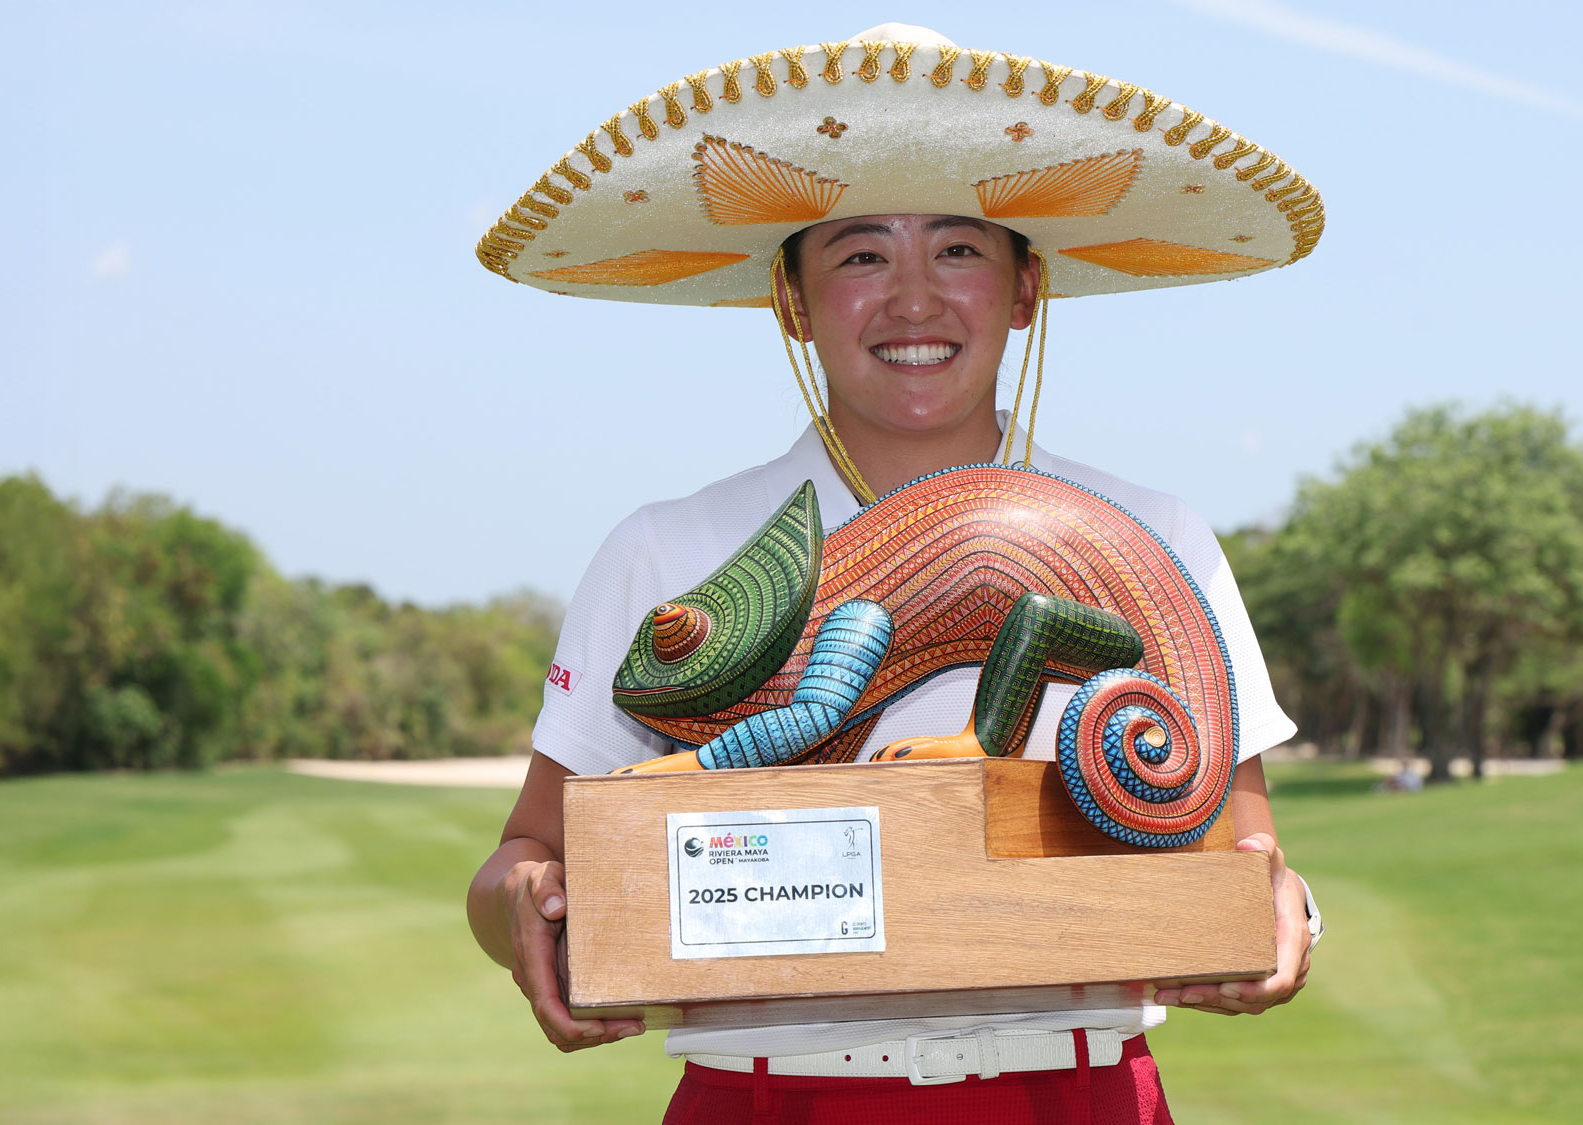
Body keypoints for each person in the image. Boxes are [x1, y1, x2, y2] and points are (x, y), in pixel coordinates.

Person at [466, 23, 1327, 1123]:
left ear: (1027, 288)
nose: (913, 299)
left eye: (960, 250)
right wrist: (529, 914)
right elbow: (522, 860)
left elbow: (1242, 850)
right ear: (790, 299)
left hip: (1081, 1091)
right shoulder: (668, 552)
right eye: (860, 253)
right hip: (766, 1095)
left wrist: (1282, 907)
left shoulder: (1154, 538)